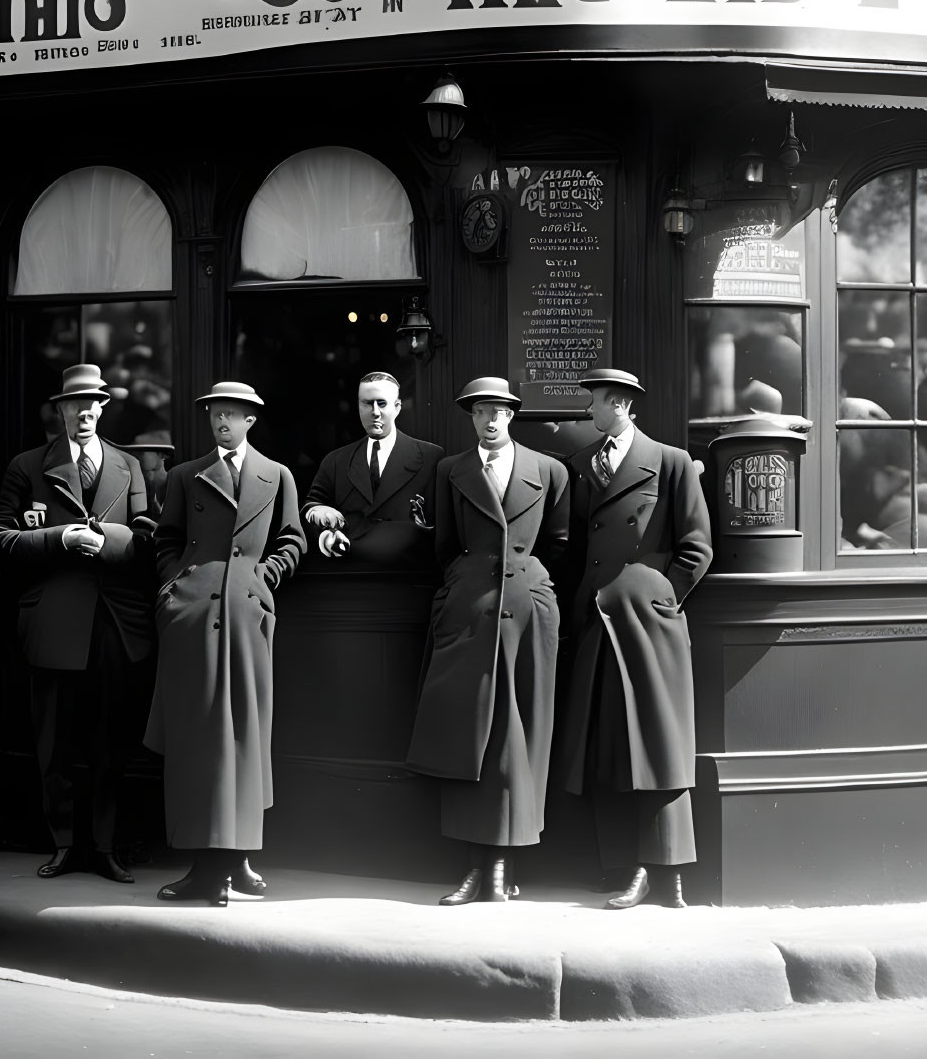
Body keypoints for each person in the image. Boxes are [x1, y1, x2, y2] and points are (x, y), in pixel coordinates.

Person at [0, 364, 155, 885]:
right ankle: (62, 843)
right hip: (55, 619)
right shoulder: (28, 466)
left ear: (104, 408)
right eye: (73, 404)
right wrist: (59, 538)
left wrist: (113, 542)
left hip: (113, 621)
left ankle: (104, 846)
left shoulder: (128, 466)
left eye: (93, 403)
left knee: (110, 740)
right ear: (58, 409)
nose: (84, 412)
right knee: (53, 741)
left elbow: (148, 535)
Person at [406, 377, 569, 904]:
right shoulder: (451, 471)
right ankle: (474, 867)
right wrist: (464, 588)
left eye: (499, 410)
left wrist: (528, 586)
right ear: (470, 417)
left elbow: (560, 542)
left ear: (513, 415)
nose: (490, 420)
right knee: (469, 733)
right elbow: (445, 545)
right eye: (480, 412)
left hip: (526, 611)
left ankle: (504, 865)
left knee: (519, 733)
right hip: (469, 609)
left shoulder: (549, 470)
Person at [144, 381, 305, 905]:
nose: (222, 422)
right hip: (194, 618)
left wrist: (262, 581)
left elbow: (292, 539)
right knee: (198, 741)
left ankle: (237, 859)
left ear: (250, 421)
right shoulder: (185, 476)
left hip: (245, 618)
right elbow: (167, 539)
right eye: (215, 413)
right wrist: (175, 589)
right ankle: (205, 865)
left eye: (232, 414)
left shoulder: (276, 475)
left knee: (244, 738)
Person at [560, 368, 713, 909]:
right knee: (605, 745)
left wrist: (660, 599)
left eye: (596, 403)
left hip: (649, 627)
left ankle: (665, 873)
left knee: (657, 745)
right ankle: (620, 865)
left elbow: (697, 546)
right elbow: (577, 547)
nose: (589, 412)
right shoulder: (582, 466)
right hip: (598, 623)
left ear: (621, 404)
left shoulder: (669, 461)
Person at [302, 371, 441, 569]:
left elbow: (443, 526)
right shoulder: (336, 461)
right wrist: (324, 528)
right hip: (348, 575)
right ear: (358, 406)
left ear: (397, 407)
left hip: (408, 577)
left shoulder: (431, 458)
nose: (374, 412)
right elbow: (311, 507)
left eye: (382, 403)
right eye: (367, 403)